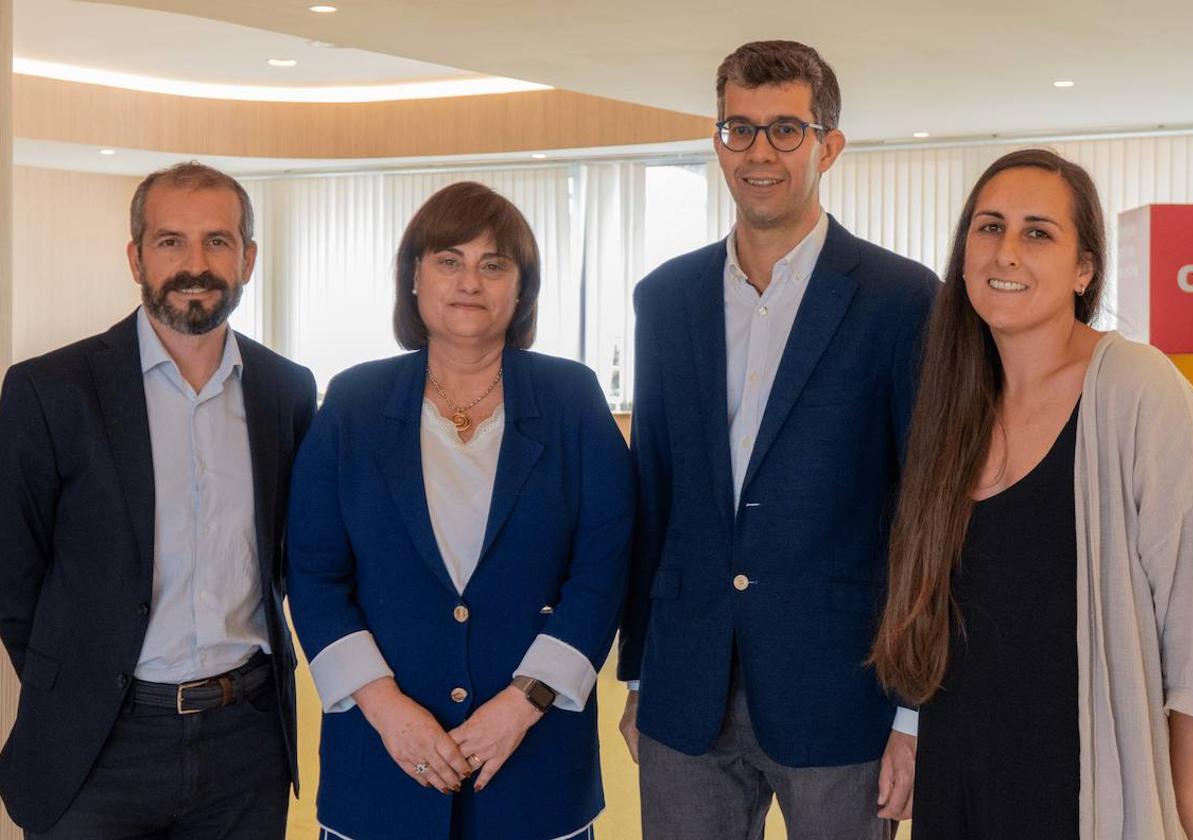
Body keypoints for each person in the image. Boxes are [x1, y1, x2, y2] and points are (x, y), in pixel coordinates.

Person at [617, 40, 939, 839]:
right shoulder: (665, 298)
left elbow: (925, 510)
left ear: (829, 145)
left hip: (844, 693)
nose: (759, 152)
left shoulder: (902, 299)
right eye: (739, 129)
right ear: (717, 138)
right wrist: (638, 672)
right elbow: (653, 493)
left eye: (786, 130)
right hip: (687, 691)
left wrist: (913, 712)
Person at [286, 181, 632, 840]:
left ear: (521, 288)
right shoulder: (354, 402)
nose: (470, 280)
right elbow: (314, 573)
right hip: (382, 767)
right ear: (413, 278)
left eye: (493, 264)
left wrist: (523, 704)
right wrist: (386, 710)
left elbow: (603, 569)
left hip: (533, 771)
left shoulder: (571, 398)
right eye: (449, 259)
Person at [870, 148, 1193, 839]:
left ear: (1084, 270)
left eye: (1037, 232)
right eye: (988, 228)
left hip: (1087, 785)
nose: (1006, 252)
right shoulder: (954, 402)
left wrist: (1188, 807)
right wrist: (912, 726)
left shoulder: (1137, 388)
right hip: (961, 772)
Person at [0, 162, 318, 838]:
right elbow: (13, 573)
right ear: (136, 257)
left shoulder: (286, 391)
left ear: (248, 258)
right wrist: (75, 678)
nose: (195, 264)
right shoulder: (50, 390)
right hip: (98, 745)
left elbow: (292, 555)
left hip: (246, 741)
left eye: (218, 241)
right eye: (171, 241)